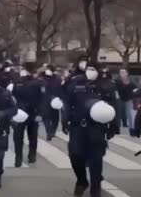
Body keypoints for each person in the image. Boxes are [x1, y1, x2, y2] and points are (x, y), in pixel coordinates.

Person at [63, 58, 118, 197]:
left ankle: (95, 187)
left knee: (95, 158)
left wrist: (113, 125)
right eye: (88, 68)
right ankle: (82, 180)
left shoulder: (106, 85)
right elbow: (68, 102)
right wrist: (65, 119)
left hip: (96, 127)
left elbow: (113, 107)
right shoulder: (75, 83)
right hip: (77, 125)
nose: (90, 72)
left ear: (99, 72)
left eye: (93, 69)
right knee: (75, 154)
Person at [11, 64, 44, 167]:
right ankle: (22, 157)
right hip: (25, 113)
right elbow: (13, 98)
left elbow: (42, 100)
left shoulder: (37, 83)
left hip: (28, 113)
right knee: (23, 136)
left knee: (27, 136)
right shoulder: (18, 82)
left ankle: (28, 156)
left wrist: (40, 113)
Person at [40, 65, 64, 141]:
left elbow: (61, 89)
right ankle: (50, 132)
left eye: (49, 69)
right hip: (46, 101)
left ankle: (51, 131)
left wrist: (60, 98)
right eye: (47, 69)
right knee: (47, 117)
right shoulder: (42, 78)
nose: (47, 70)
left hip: (54, 101)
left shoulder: (57, 79)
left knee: (54, 118)